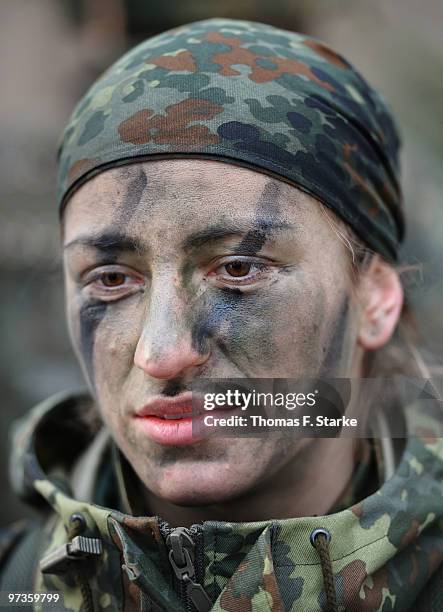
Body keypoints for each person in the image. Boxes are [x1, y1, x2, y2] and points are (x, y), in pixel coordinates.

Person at [1, 18, 442, 612]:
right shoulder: (21, 587)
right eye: (110, 278)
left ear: (376, 299)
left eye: (238, 269)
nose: (162, 353)